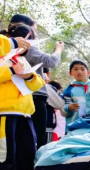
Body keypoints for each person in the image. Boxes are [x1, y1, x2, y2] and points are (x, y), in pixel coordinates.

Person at [4, 14, 65, 149]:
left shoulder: (6, 45)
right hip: (34, 97)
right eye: (34, 30)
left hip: (17, 99)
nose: (35, 35)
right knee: (35, 140)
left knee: (15, 142)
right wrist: (58, 50)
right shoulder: (27, 46)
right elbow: (51, 61)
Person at [0, 25, 45, 170]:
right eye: (24, 39)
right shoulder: (4, 55)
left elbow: (38, 83)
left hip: (25, 113)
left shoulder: (20, 59)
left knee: (26, 152)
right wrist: (11, 70)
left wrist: (27, 76)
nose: (26, 44)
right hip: (5, 111)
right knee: (6, 152)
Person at [62, 59, 90, 126]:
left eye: (82, 69)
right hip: (74, 126)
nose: (79, 72)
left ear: (88, 72)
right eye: (76, 69)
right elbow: (63, 111)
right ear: (70, 73)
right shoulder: (68, 90)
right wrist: (68, 107)